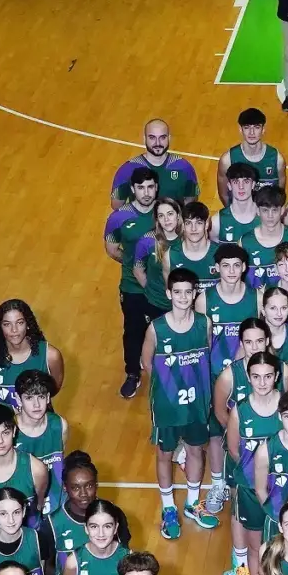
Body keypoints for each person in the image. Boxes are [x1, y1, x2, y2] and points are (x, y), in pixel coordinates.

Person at [148, 269, 223, 540]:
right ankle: (168, 508)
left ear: (195, 293)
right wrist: (169, 387)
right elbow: (147, 363)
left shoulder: (205, 324)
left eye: (188, 292)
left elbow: (207, 358)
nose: (182, 297)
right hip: (167, 406)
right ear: (169, 294)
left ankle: (192, 503)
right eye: (177, 292)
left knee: (195, 451)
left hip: (196, 403)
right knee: (164, 455)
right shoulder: (157, 328)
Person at [108, 168, 165, 402]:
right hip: (132, 287)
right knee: (132, 332)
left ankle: (164, 374)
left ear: (157, 187)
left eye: (150, 187)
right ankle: (133, 373)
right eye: (140, 188)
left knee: (163, 331)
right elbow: (112, 249)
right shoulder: (119, 217)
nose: (146, 192)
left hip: (162, 291)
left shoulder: (166, 212)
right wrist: (131, 264)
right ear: (132, 189)